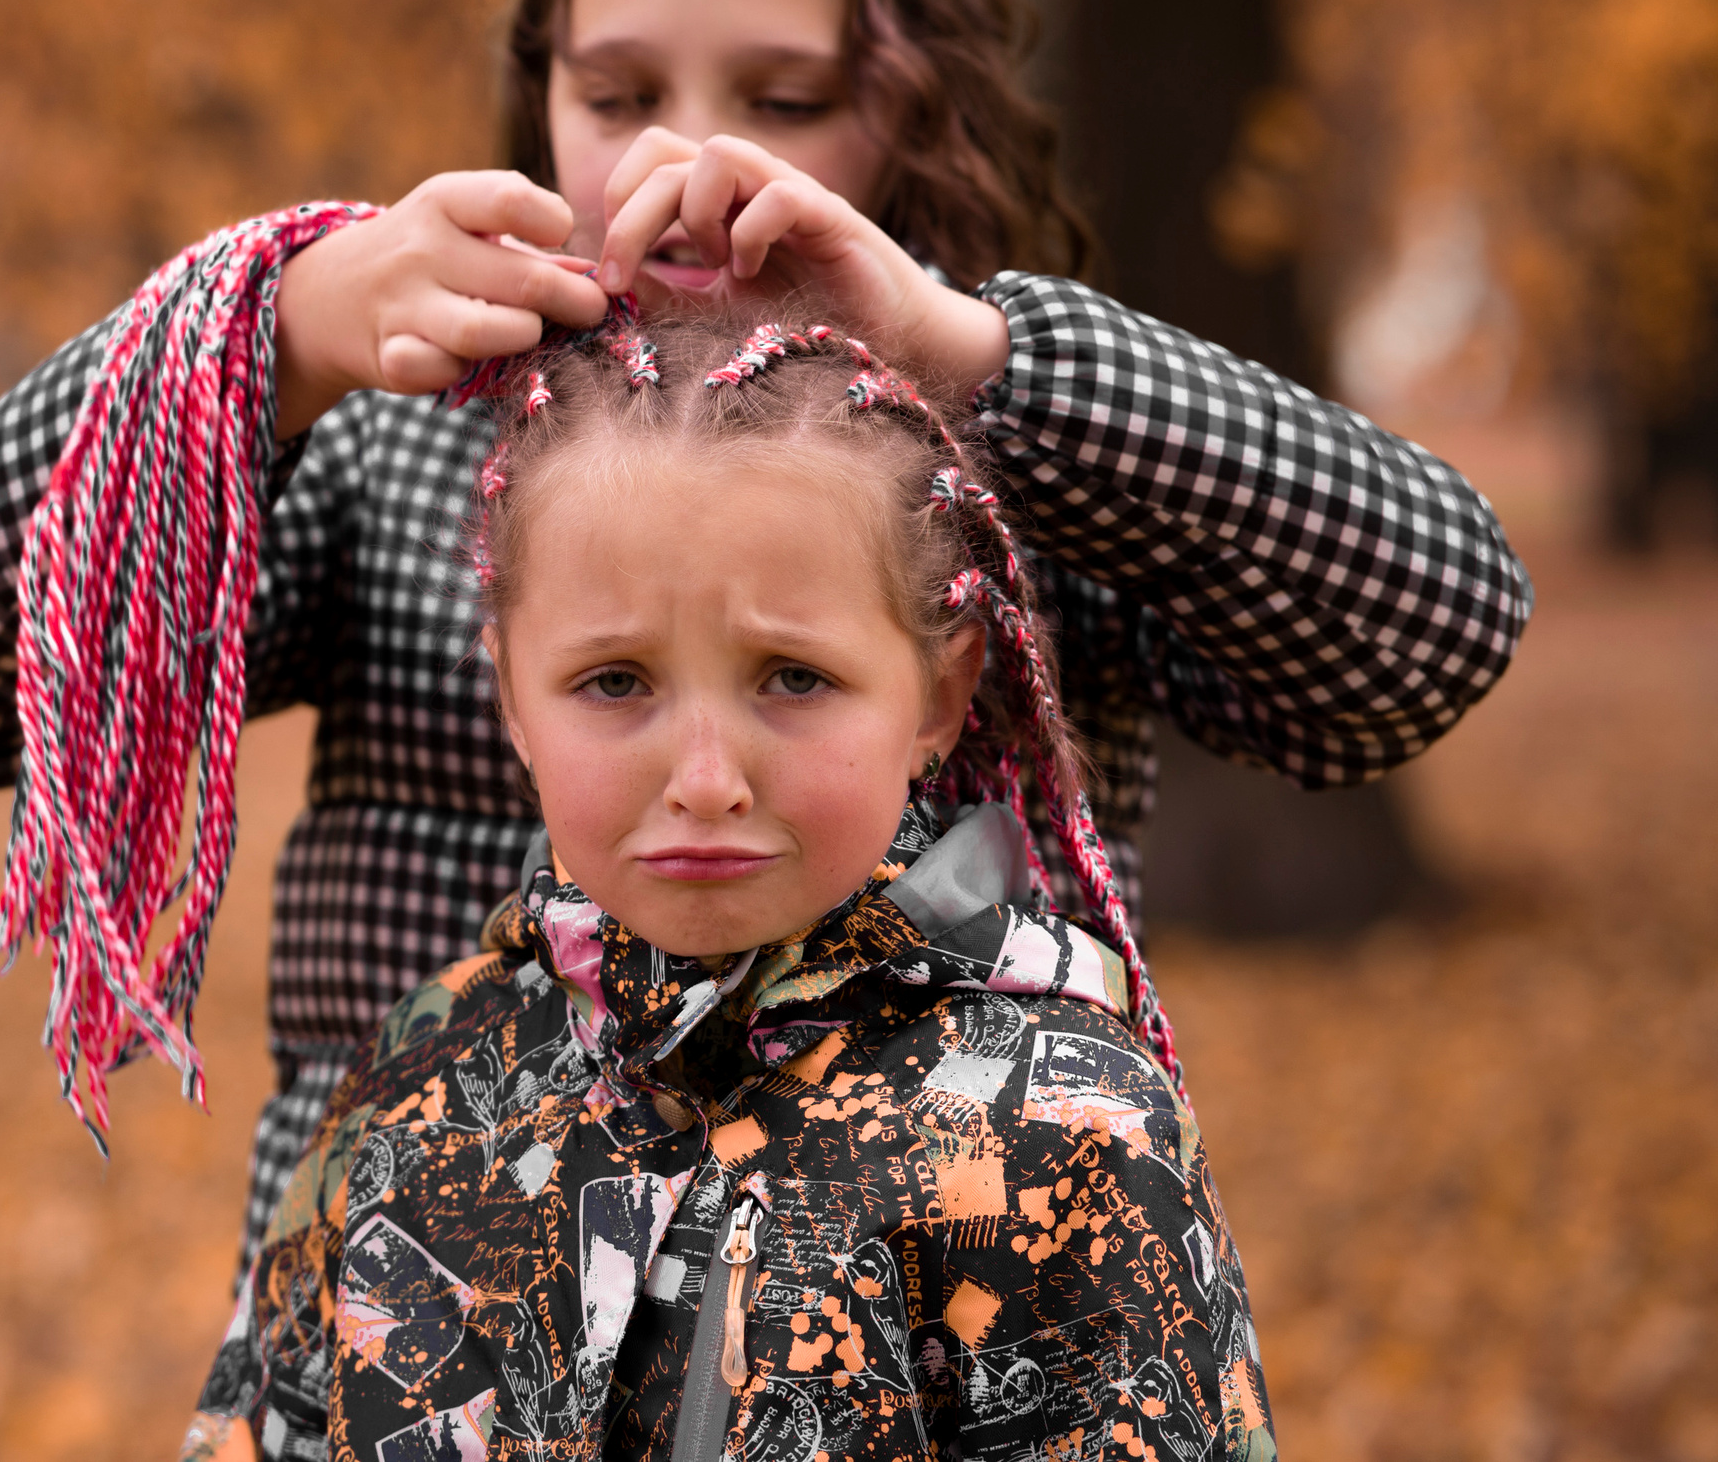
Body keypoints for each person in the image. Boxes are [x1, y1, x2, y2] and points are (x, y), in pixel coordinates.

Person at [0, 0, 1529, 1261]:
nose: (693, 148)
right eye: (618, 85)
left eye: (786, 95)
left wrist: (975, 355)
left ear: (916, 106)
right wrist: (252, 340)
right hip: (409, 1352)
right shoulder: (404, 467)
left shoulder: (1016, 480)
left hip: (923, 1352)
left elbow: (1428, 631)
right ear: (541, 98)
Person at [183, 309, 1274, 1461]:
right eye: (614, 681)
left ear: (939, 696)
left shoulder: (1063, 1128)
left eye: (793, 676)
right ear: (510, 695)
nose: (706, 782)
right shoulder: (417, 1081)